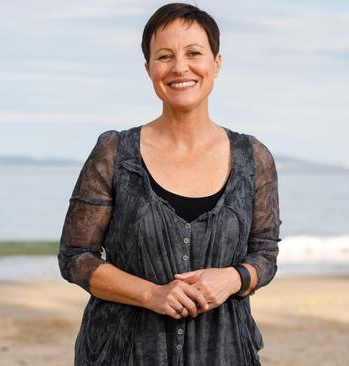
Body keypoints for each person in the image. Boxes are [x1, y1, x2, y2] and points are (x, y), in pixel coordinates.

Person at [58, 3, 282, 365]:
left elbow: (265, 254)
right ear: (149, 69)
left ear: (216, 63)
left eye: (194, 53)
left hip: (224, 351)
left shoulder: (253, 157)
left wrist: (233, 278)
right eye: (165, 56)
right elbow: (74, 258)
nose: (180, 67)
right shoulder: (115, 153)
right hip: (122, 353)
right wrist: (151, 294)